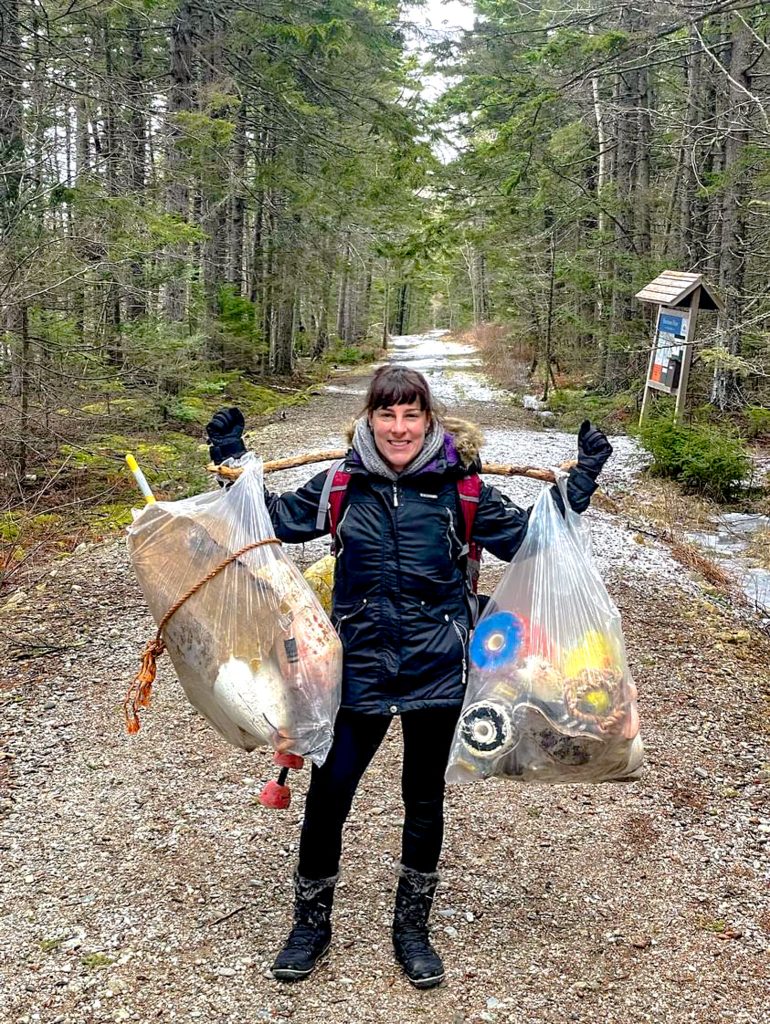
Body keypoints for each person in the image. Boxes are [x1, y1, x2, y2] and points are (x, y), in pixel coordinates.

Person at [205, 365, 612, 989]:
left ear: (429, 419)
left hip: (439, 671)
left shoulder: (463, 490)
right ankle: (310, 925)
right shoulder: (341, 483)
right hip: (357, 669)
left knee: (423, 799)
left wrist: (579, 483)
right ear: (369, 418)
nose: (399, 428)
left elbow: (532, 538)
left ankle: (412, 927)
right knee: (331, 791)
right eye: (386, 414)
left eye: (411, 414)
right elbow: (269, 521)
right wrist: (232, 459)